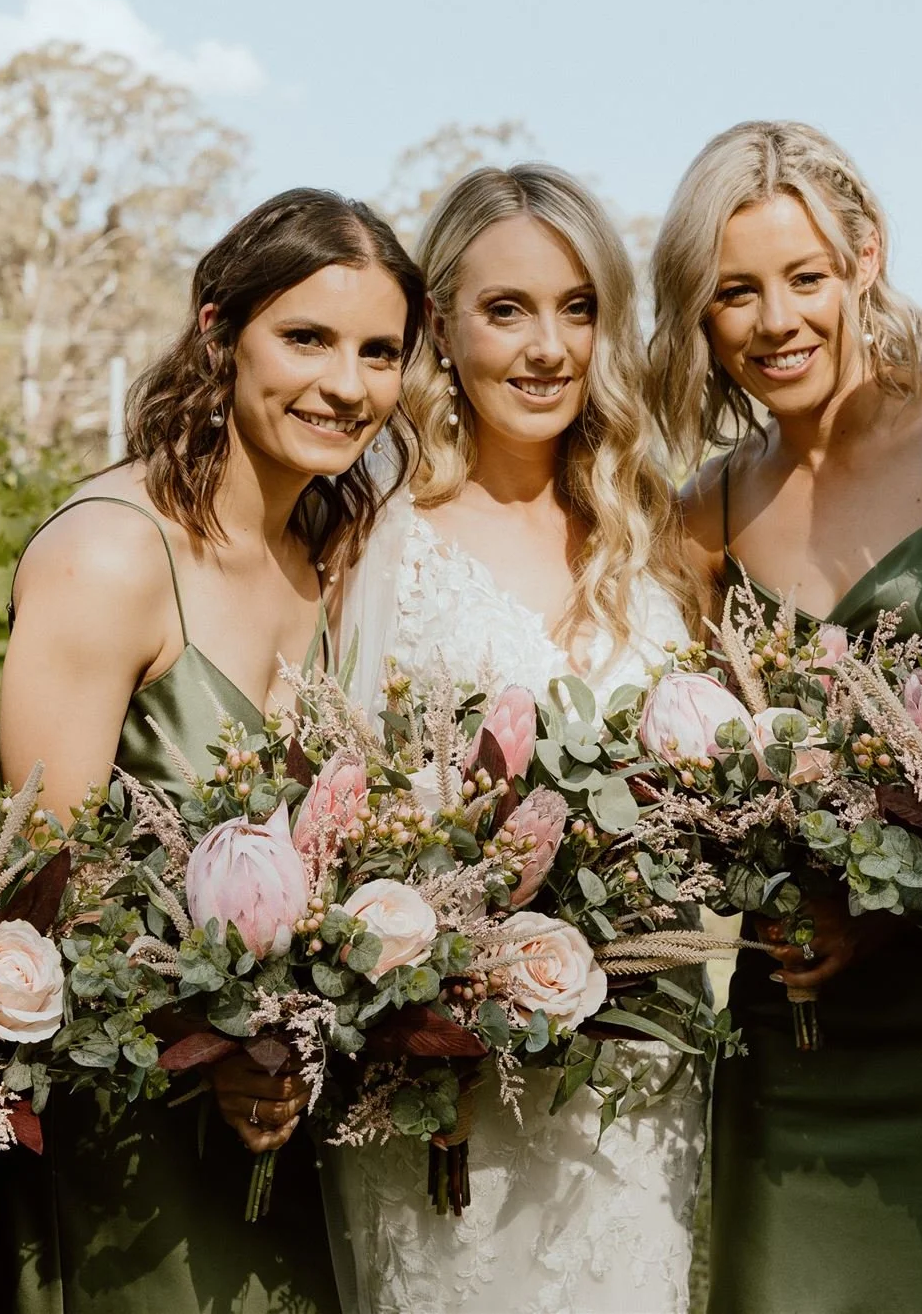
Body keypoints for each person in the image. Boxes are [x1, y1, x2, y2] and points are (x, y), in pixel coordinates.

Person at [651, 120, 922, 1314]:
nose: (774, 320)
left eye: (803, 278)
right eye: (734, 292)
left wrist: (895, 913)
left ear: (864, 261)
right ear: (700, 310)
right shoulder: (705, 517)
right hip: (800, 1038)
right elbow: (702, 775)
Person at [0, 187, 421, 1314]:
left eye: (379, 351)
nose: (345, 384)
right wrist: (213, 1045)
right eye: (307, 338)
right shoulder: (112, 555)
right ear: (216, 330)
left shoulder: (325, 559)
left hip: (294, 1127)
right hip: (133, 1138)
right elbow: (42, 890)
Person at [331, 163, 705, 1314]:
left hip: (639, 1078)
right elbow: (340, 811)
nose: (548, 347)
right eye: (507, 311)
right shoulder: (382, 544)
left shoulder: (649, 537)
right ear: (439, 324)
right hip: (452, 1082)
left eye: (577, 308)